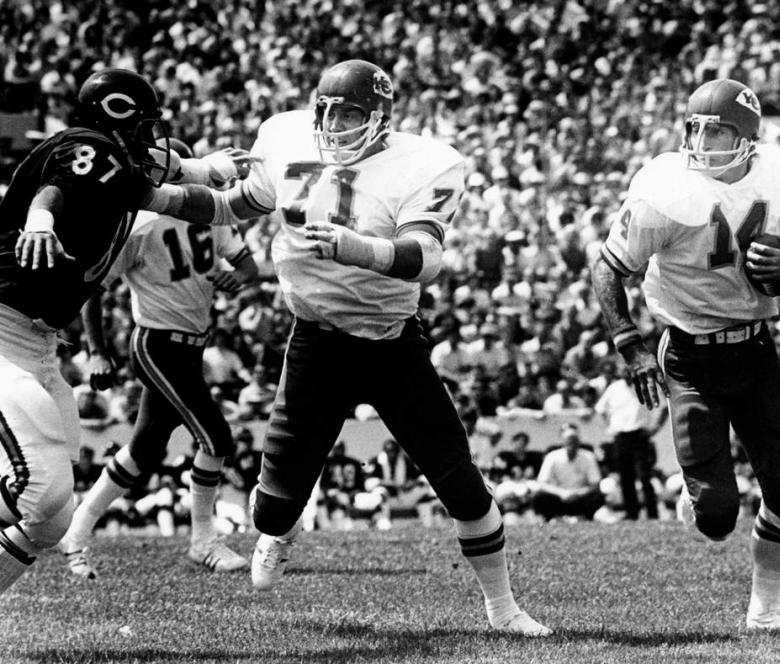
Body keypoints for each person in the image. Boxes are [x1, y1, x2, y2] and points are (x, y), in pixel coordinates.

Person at [140, 59, 550, 636]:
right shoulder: (283, 137)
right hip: (315, 341)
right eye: (326, 111)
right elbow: (232, 207)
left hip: (390, 344)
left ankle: (503, 609)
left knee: (458, 479)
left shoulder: (429, 162)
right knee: (270, 508)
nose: (333, 124)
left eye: (350, 112)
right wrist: (154, 195)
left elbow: (424, 259)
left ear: (381, 117)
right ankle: (281, 530)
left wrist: (358, 250)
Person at [591, 79, 780, 631]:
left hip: (756, 350)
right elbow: (608, 267)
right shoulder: (664, 190)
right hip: (690, 356)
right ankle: (699, 494)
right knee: (717, 519)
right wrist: (630, 343)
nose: (700, 140)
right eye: (694, 128)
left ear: (747, 138)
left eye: (715, 130)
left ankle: (765, 609)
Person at [0, 68, 248, 596]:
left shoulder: (122, 178)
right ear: (115, 117)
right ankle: (203, 539)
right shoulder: (91, 149)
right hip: (4, 330)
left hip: (38, 344)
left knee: (54, 514)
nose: (147, 139)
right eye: (142, 127)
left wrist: (235, 189)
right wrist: (40, 222)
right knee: (40, 493)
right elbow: (53, 191)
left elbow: (184, 194)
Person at [57, 136, 259, 579]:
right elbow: (93, 287)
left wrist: (237, 280)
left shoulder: (210, 209)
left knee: (144, 448)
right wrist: (97, 351)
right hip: (157, 345)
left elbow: (248, 266)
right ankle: (203, 540)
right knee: (217, 439)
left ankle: (77, 530)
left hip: (193, 345)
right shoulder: (140, 224)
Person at [594, 364, 667, 520]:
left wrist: (655, 428)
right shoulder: (614, 388)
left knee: (645, 476)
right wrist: (608, 428)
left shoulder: (645, 385)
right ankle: (631, 513)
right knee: (625, 476)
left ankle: (652, 514)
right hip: (621, 436)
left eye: (629, 371)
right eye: (624, 372)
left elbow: (664, 407)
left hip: (640, 435)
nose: (626, 374)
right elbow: (600, 409)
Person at [531, 423, 604, 521]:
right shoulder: (552, 456)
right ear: (563, 442)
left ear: (578, 442)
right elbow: (542, 483)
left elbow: (595, 485)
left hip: (580, 497)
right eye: (568, 441)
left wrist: (577, 493)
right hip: (559, 497)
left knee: (598, 497)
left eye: (574, 441)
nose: (571, 444)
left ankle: (583, 517)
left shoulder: (588, 456)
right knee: (539, 497)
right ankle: (554, 517)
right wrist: (561, 493)